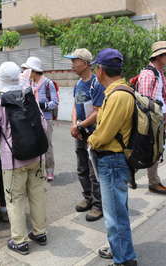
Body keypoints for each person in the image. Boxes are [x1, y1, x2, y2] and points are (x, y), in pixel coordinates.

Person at [0, 62, 47, 255]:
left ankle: (20, 241)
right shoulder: (30, 98)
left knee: (15, 200)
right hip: (36, 157)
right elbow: (43, 126)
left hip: (12, 161)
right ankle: (40, 232)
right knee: (37, 195)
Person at [88, 48, 137, 266]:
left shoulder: (118, 96)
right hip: (115, 160)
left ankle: (125, 259)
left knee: (115, 216)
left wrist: (90, 140)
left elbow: (104, 134)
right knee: (117, 212)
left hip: (112, 161)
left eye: (95, 68)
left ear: (100, 70)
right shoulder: (118, 92)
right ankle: (118, 250)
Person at [64, 48, 105, 222]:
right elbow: (75, 105)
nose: (72, 64)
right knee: (82, 167)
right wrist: (74, 124)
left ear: (86, 63)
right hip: (80, 131)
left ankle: (98, 205)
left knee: (93, 170)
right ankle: (87, 197)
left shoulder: (96, 83)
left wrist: (80, 125)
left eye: (75, 61)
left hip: (93, 133)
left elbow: (97, 111)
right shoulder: (79, 83)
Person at [137, 41, 166, 195]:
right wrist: (150, 124)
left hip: (159, 121)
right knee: (149, 150)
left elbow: (163, 97)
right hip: (151, 122)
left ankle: (151, 180)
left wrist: (165, 119)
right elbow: (144, 102)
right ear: (158, 56)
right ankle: (152, 182)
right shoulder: (148, 73)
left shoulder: (159, 73)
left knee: (154, 151)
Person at [21, 56, 59, 181]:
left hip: (46, 118)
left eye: (27, 70)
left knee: (47, 145)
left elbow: (55, 102)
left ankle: (50, 171)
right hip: (33, 118)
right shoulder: (30, 83)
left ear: (33, 71)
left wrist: (42, 105)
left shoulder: (48, 83)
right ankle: (38, 170)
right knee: (36, 145)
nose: (25, 72)